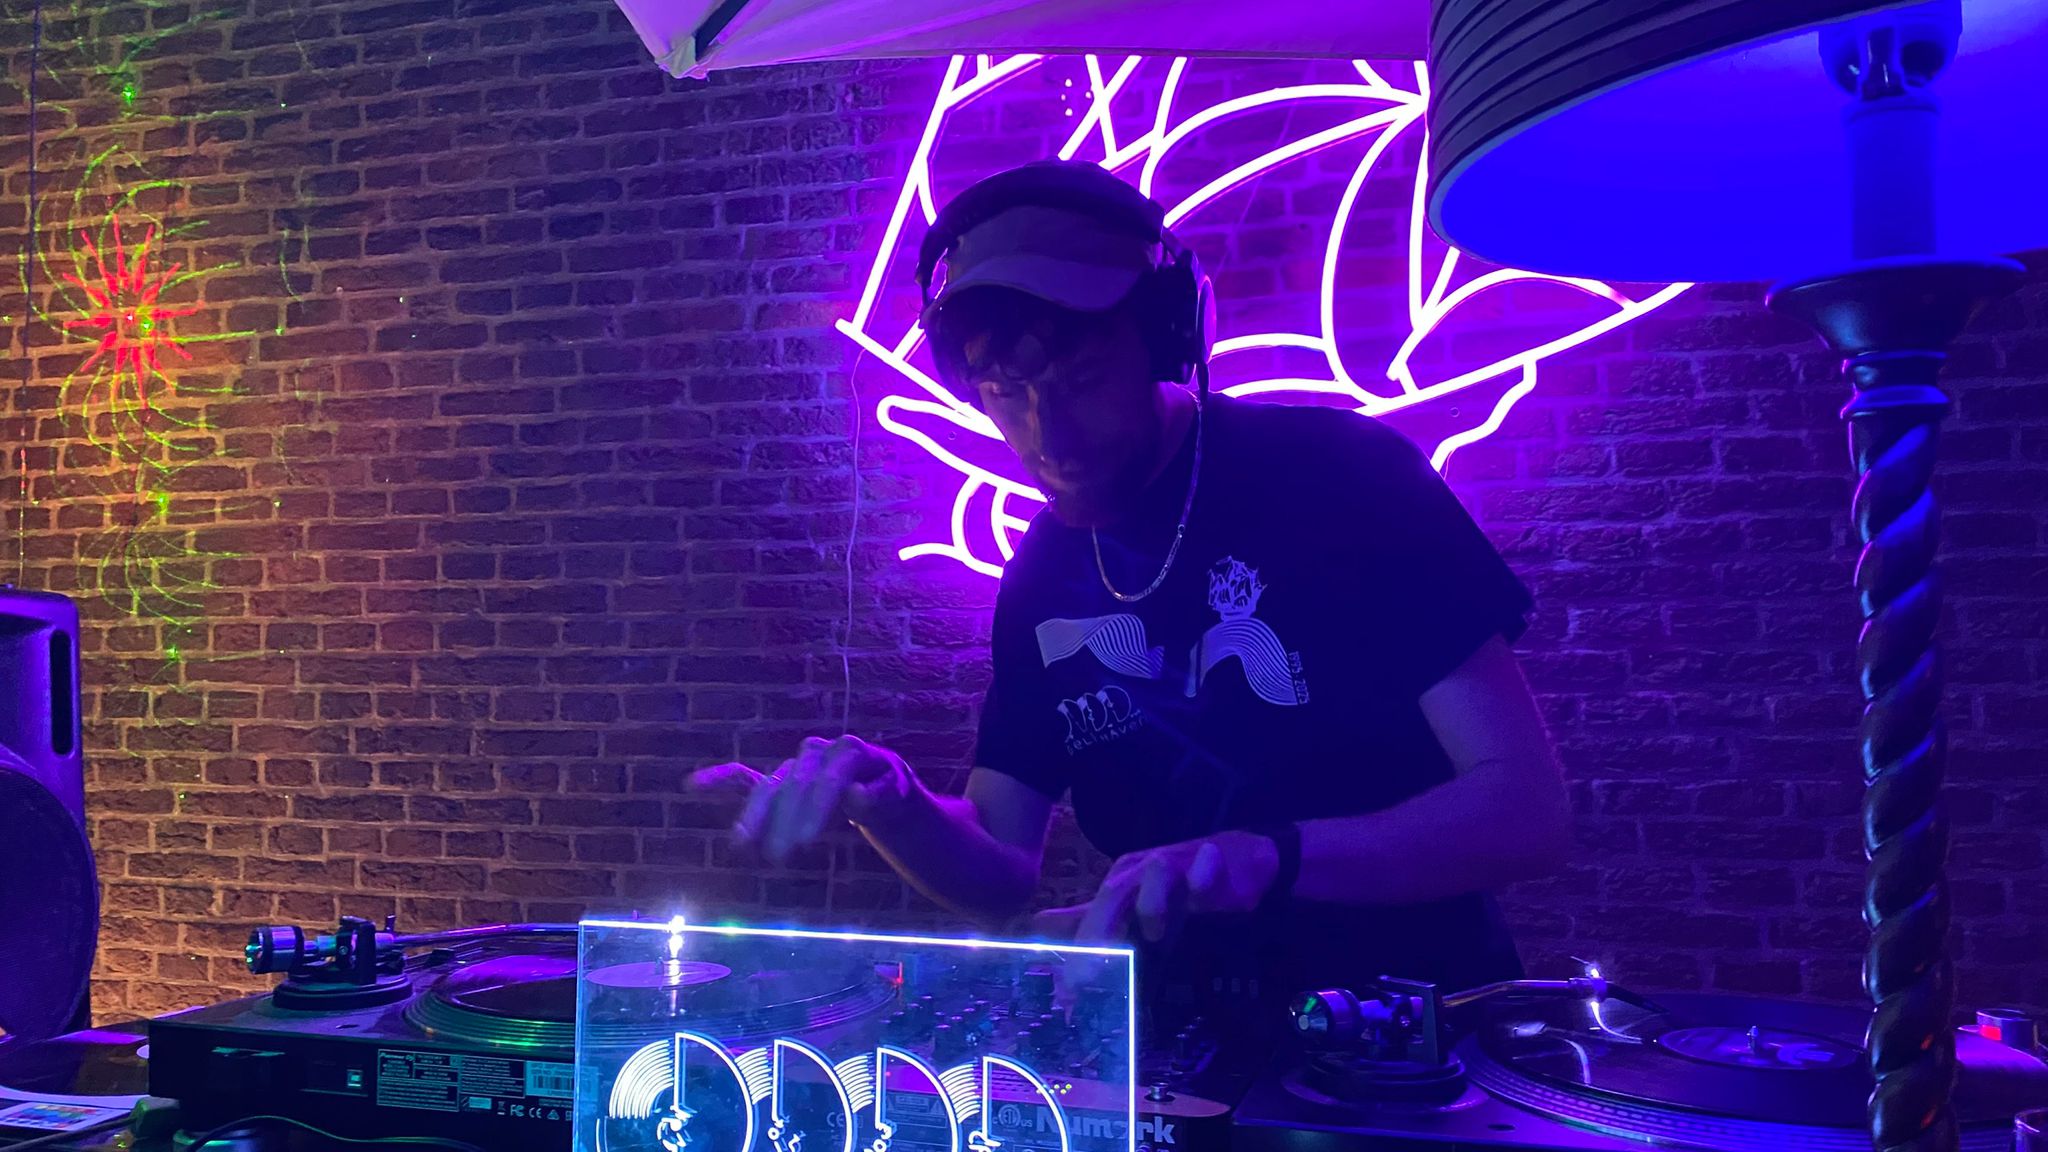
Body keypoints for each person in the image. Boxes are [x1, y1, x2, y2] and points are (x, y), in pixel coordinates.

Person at [695, 160, 1570, 1015]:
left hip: (1412, 1039)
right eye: (1004, 392)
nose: (1048, 436)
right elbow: (1001, 862)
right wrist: (894, 806)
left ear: (1167, 338)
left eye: (1081, 381)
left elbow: (1524, 808)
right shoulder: (1042, 573)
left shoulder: (1347, 478)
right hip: (1176, 1045)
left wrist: (1267, 858)